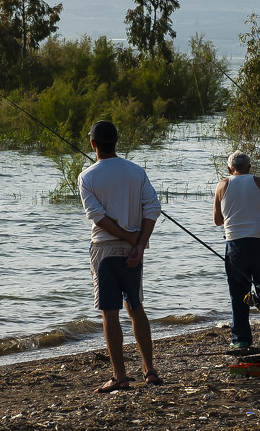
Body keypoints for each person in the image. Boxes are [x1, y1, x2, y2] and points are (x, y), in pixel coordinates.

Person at [78, 120, 163, 392]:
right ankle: (149, 371)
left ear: (93, 144)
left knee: (110, 313)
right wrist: (139, 243)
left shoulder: (87, 177)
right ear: (117, 141)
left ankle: (120, 377)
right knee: (136, 307)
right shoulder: (136, 172)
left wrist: (129, 238)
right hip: (132, 251)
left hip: (104, 250)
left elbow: (97, 217)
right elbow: (153, 207)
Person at [213, 150, 260, 350]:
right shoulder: (259, 183)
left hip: (235, 246)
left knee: (238, 293)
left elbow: (217, 221)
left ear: (229, 169)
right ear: (249, 168)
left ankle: (241, 339)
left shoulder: (222, 185)